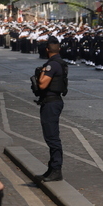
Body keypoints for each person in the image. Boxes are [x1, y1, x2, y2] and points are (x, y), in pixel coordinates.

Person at [36, 36, 68, 182]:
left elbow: (42, 84)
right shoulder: (57, 63)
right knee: (50, 136)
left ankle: (56, 169)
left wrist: (41, 73)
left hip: (51, 103)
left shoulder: (52, 65)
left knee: (52, 137)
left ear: (47, 49)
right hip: (51, 102)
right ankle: (51, 169)